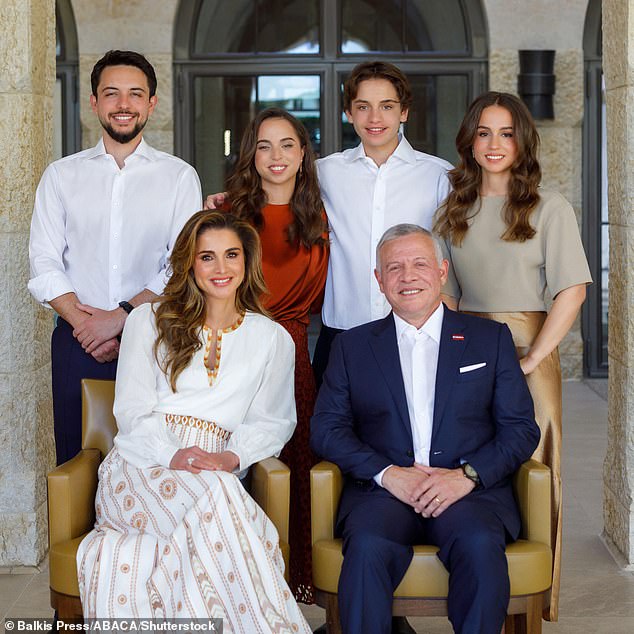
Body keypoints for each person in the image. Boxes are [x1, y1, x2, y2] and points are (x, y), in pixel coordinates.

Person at [76, 210, 311, 632]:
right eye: (207, 257)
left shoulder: (271, 338)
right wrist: (174, 453)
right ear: (189, 263)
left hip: (217, 467)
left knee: (218, 489)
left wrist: (230, 458)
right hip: (142, 463)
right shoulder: (148, 320)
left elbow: (273, 421)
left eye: (231, 255)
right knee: (240, 517)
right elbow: (130, 412)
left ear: (247, 261)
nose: (221, 269)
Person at [311, 224, 540, 634]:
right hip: (383, 494)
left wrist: (466, 477)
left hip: (469, 493)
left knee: (479, 545)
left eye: (420, 264)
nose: (408, 276)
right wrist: (387, 474)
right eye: (394, 268)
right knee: (365, 548)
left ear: (441, 271)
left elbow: (520, 429)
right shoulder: (352, 347)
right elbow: (327, 429)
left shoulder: (489, 340)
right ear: (379, 281)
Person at [433, 91, 592, 621]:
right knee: (472, 463)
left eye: (506, 133)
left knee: (535, 468)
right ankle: (481, 592)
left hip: (529, 349)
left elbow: (572, 291)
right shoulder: (452, 210)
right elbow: (448, 296)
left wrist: (531, 359)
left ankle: (528, 607)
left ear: (523, 140)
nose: (495, 143)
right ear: (469, 143)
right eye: (484, 133)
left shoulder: (551, 208)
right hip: (466, 350)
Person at [28, 49, 202, 466]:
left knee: (155, 461)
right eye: (112, 94)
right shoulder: (61, 175)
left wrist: (121, 317)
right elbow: (43, 262)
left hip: (155, 342)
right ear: (94, 102)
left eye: (135, 94)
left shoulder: (179, 177)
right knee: (77, 462)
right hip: (76, 343)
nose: (123, 105)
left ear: (151, 104)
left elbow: (181, 266)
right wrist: (86, 324)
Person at [219, 107, 328, 603]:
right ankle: (237, 583)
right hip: (236, 352)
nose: (276, 156)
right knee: (238, 464)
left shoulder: (322, 217)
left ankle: (290, 582)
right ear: (251, 155)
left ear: (304, 154)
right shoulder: (229, 218)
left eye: (287, 145)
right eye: (265, 146)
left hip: (292, 356)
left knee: (294, 466)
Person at [311, 61, 453, 384]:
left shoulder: (439, 175)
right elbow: (272, 192)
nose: (375, 118)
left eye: (386, 106)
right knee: (332, 432)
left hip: (415, 335)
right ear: (349, 112)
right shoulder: (325, 173)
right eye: (363, 107)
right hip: (341, 337)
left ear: (404, 112)